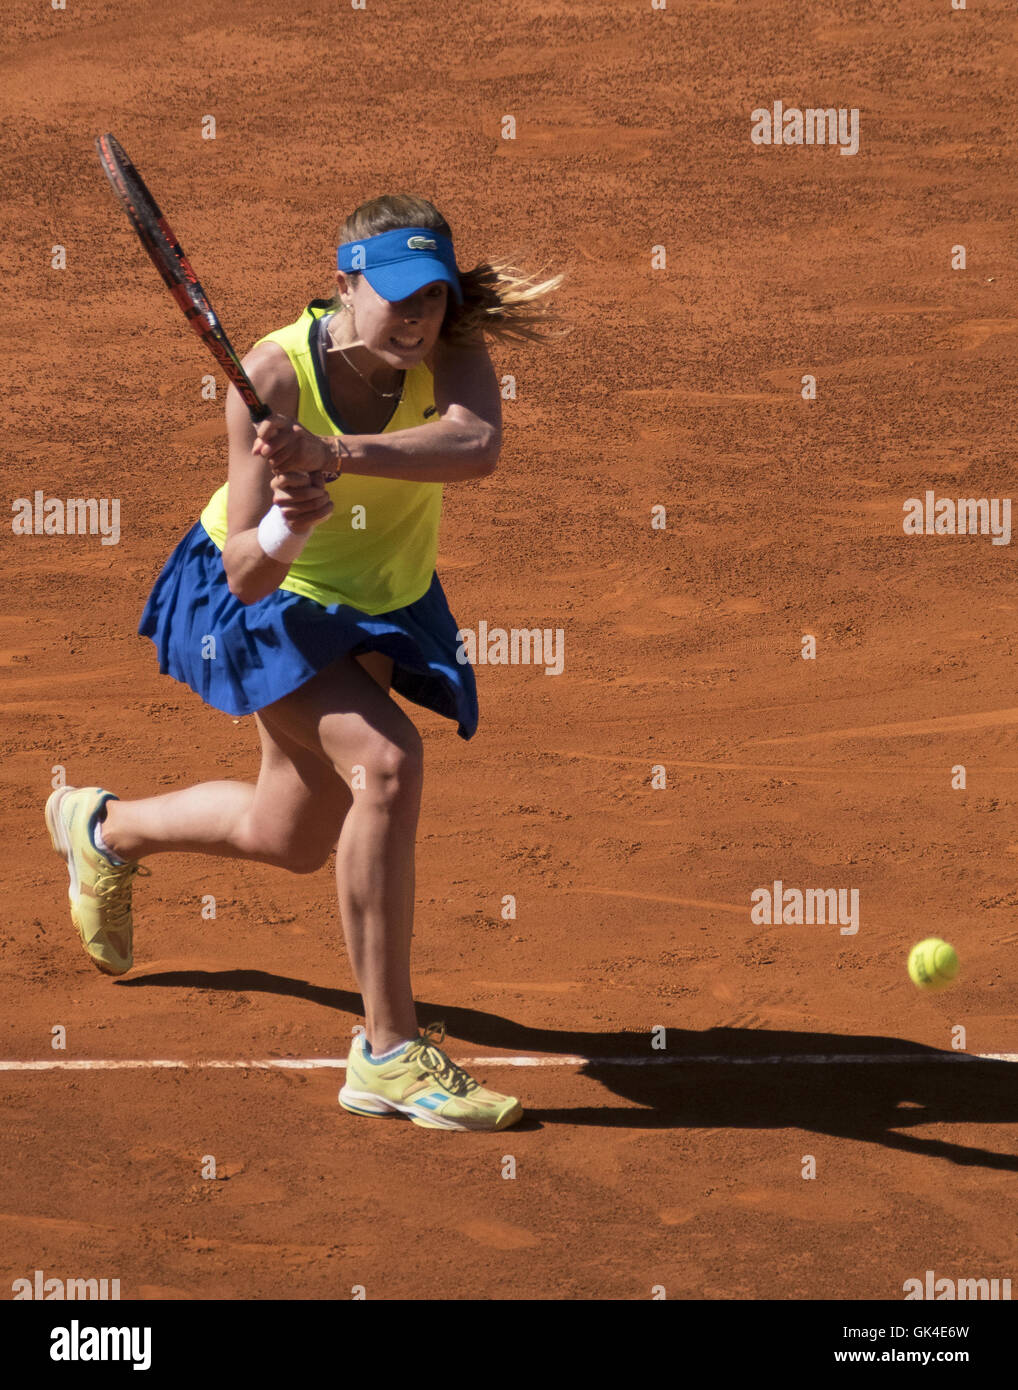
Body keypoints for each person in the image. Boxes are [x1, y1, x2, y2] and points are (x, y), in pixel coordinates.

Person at [45, 194, 565, 1132]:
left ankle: (105, 830)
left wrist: (340, 455)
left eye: (432, 299)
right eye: (396, 297)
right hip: (265, 607)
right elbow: (245, 573)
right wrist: (290, 517)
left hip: (370, 603)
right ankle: (388, 1052)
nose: (414, 318)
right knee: (387, 764)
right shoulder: (273, 375)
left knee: (290, 838)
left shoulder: (445, 344)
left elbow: (476, 444)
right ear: (343, 283)